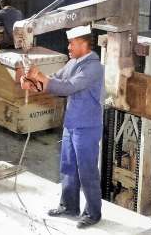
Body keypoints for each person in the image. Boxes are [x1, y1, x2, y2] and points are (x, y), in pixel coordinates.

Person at [21, 25, 104, 229]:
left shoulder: (93, 67)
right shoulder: (74, 62)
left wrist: (41, 78)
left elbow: (69, 87)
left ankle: (93, 213)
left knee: (87, 171)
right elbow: (56, 80)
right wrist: (33, 82)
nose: (68, 47)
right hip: (72, 123)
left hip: (87, 126)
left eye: (71, 44)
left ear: (83, 44)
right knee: (67, 166)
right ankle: (69, 206)